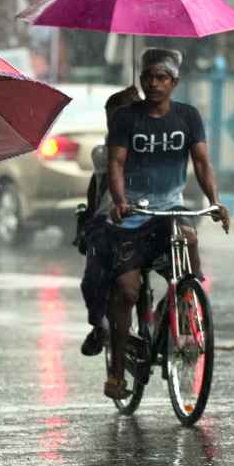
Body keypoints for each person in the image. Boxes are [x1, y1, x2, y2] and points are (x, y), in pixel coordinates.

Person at [104, 49, 231, 400]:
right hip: (133, 216)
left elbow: (202, 163)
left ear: (174, 82)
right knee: (127, 291)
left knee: (188, 243)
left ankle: (182, 303)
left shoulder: (188, 117)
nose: (153, 83)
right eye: (148, 77)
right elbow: (115, 163)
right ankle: (116, 371)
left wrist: (214, 201)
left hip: (171, 210)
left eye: (162, 77)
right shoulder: (126, 119)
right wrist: (119, 201)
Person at [80, 85, 140, 357]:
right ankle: (100, 325)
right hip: (109, 224)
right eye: (112, 119)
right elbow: (96, 189)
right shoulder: (104, 153)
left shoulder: (150, 144)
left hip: (149, 220)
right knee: (94, 277)